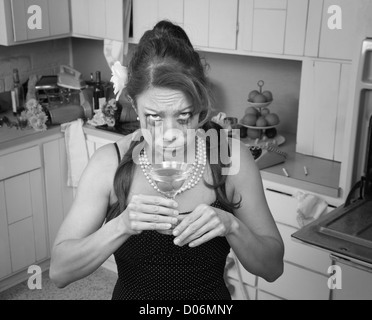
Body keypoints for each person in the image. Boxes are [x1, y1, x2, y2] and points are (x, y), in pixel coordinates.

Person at [49, 20, 284, 300]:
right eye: (155, 118)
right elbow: (59, 272)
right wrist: (121, 225)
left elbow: (272, 267)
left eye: (183, 118)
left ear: (200, 109)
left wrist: (232, 226)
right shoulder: (109, 163)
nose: (170, 135)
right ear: (135, 107)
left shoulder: (230, 158)